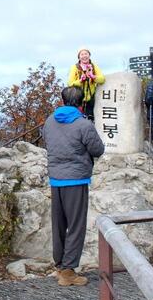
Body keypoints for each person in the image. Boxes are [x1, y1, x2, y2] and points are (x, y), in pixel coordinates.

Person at [42, 86, 105, 287]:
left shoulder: (50, 121)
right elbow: (97, 149)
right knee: (76, 225)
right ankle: (68, 272)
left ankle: (60, 265)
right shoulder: (83, 124)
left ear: (62, 100)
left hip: (56, 179)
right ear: (82, 103)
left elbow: (48, 143)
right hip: (76, 179)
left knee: (59, 224)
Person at [67, 48, 106, 121]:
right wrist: (80, 80)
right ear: (79, 57)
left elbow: (102, 79)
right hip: (78, 99)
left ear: (89, 55)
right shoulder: (75, 68)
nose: (84, 56)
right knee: (77, 119)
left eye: (86, 54)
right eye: (82, 54)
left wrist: (93, 77)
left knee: (90, 120)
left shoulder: (94, 66)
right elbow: (70, 83)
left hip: (90, 98)